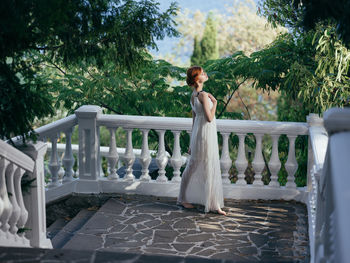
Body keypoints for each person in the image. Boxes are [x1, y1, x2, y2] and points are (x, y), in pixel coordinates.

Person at [177, 66, 226, 216]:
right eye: (203, 73)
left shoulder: (193, 95)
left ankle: (185, 198)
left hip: (199, 133)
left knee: (193, 166)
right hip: (205, 134)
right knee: (207, 165)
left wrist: (192, 141)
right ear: (197, 78)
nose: (205, 74)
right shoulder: (203, 95)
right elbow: (209, 118)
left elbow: (194, 120)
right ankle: (213, 204)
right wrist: (215, 102)